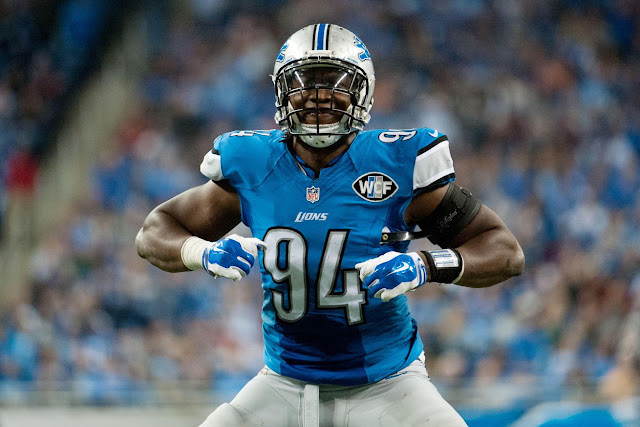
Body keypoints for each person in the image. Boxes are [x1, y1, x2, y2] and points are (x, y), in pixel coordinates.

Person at [136, 23, 525, 427]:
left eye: (334, 83)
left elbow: (504, 250)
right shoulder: (253, 164)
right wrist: (202, 252)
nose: (318, 95)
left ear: (363, 93)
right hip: (283, 383)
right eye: (304, 81)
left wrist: (427, 265)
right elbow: (154, 231)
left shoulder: (397, 162)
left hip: (389, 383)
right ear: (282, 92)